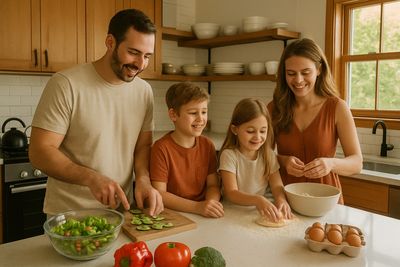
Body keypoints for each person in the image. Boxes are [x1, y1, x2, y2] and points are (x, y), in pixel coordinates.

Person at [29, 9, 163, 216]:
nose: (140, 64)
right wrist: (91, 178)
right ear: (110, 42)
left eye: (147, 56)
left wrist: (144, 180)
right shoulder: (66, 84)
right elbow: (40, 152)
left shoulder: (143, 91)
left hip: (120, 212)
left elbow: (142, 146)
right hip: (70, 215)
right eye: (134, 52)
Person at [268, 38, 363, 204]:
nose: (298, 80)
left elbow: (357, 163)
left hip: (326, 200)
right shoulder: (273, 108)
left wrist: (331, 164)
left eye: (305, 72)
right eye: (291, 73)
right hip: (285, 199)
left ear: (319, 70)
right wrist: (283, 161)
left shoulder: (337, 107)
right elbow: (261, 156)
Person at [150, 82, 224, 218]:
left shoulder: (207, 145)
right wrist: (197, 207)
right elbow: (160, 193)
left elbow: (213, 185)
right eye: (193, 113)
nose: (201, 119)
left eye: (204, 112)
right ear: (173, 115)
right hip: (175, 215)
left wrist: (211, 203)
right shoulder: (161, 148)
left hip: (202, 214)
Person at [218, 98, 292, 222]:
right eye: (250, 131)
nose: (258, 137)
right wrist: (258, 199)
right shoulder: (229, 155)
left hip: (256, 212)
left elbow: (277, 186)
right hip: (231, 213)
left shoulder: (268, 155)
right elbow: (231, 193)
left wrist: (281, 200)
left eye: (263, 131)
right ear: (235, 130)